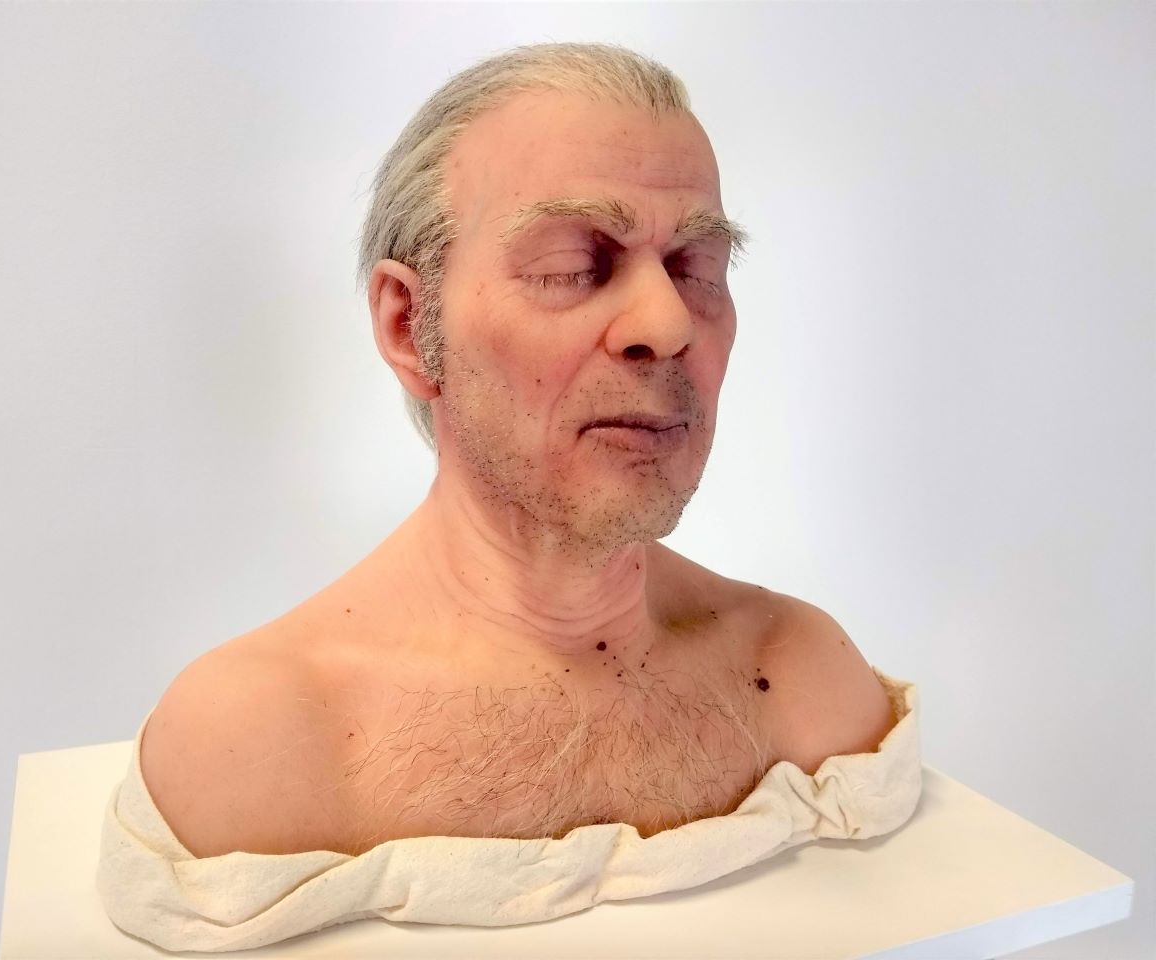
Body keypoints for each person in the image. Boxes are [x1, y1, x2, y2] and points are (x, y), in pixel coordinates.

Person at [136, 41, 898, 863]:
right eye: (574, 266)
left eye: (694, 267)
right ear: (409, 327)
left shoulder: (802, 684)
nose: (667, 323)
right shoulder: (264, 746)